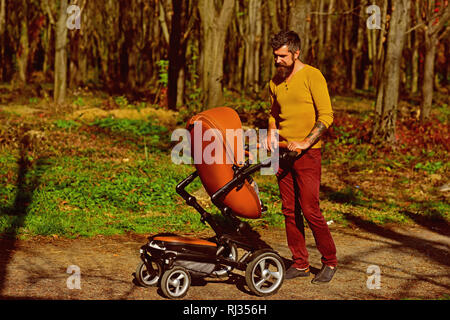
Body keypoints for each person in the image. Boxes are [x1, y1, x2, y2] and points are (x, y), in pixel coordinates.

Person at [264, 30, 337, 284]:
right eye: (275, 56)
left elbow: (326, 115)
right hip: (281, 152)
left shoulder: (312, 76)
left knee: (309, 209)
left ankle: (329, 262)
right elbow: (273, 112)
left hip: (307, 154)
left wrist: (305, 142)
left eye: (283, 56)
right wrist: (271, 133)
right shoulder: (275, 81)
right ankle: (300, 263)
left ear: (296, 53)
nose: (277, 61)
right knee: (288, 210)